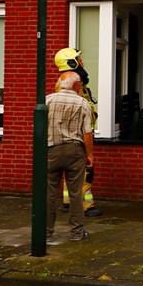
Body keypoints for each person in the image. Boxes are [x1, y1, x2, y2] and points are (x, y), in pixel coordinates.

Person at [46, 71, 94, 242]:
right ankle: (77, 232)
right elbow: (87, 133)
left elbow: (38, 126)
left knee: (49, 193)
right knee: (76, 193)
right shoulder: (82, 103)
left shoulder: (48, 100)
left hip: (51, 151)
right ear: (76, 85)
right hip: (75, 152)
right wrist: (89, 155)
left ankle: (46, 232)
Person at [53, 48, 101, 217]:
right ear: (71, 63)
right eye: (78, 59)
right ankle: (87, 205)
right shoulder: (73, 84)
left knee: (72, 170)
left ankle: (68, 202)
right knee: (85, 171)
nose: (82, 62)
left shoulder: (68, 82)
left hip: (74, 133)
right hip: (78, 134)